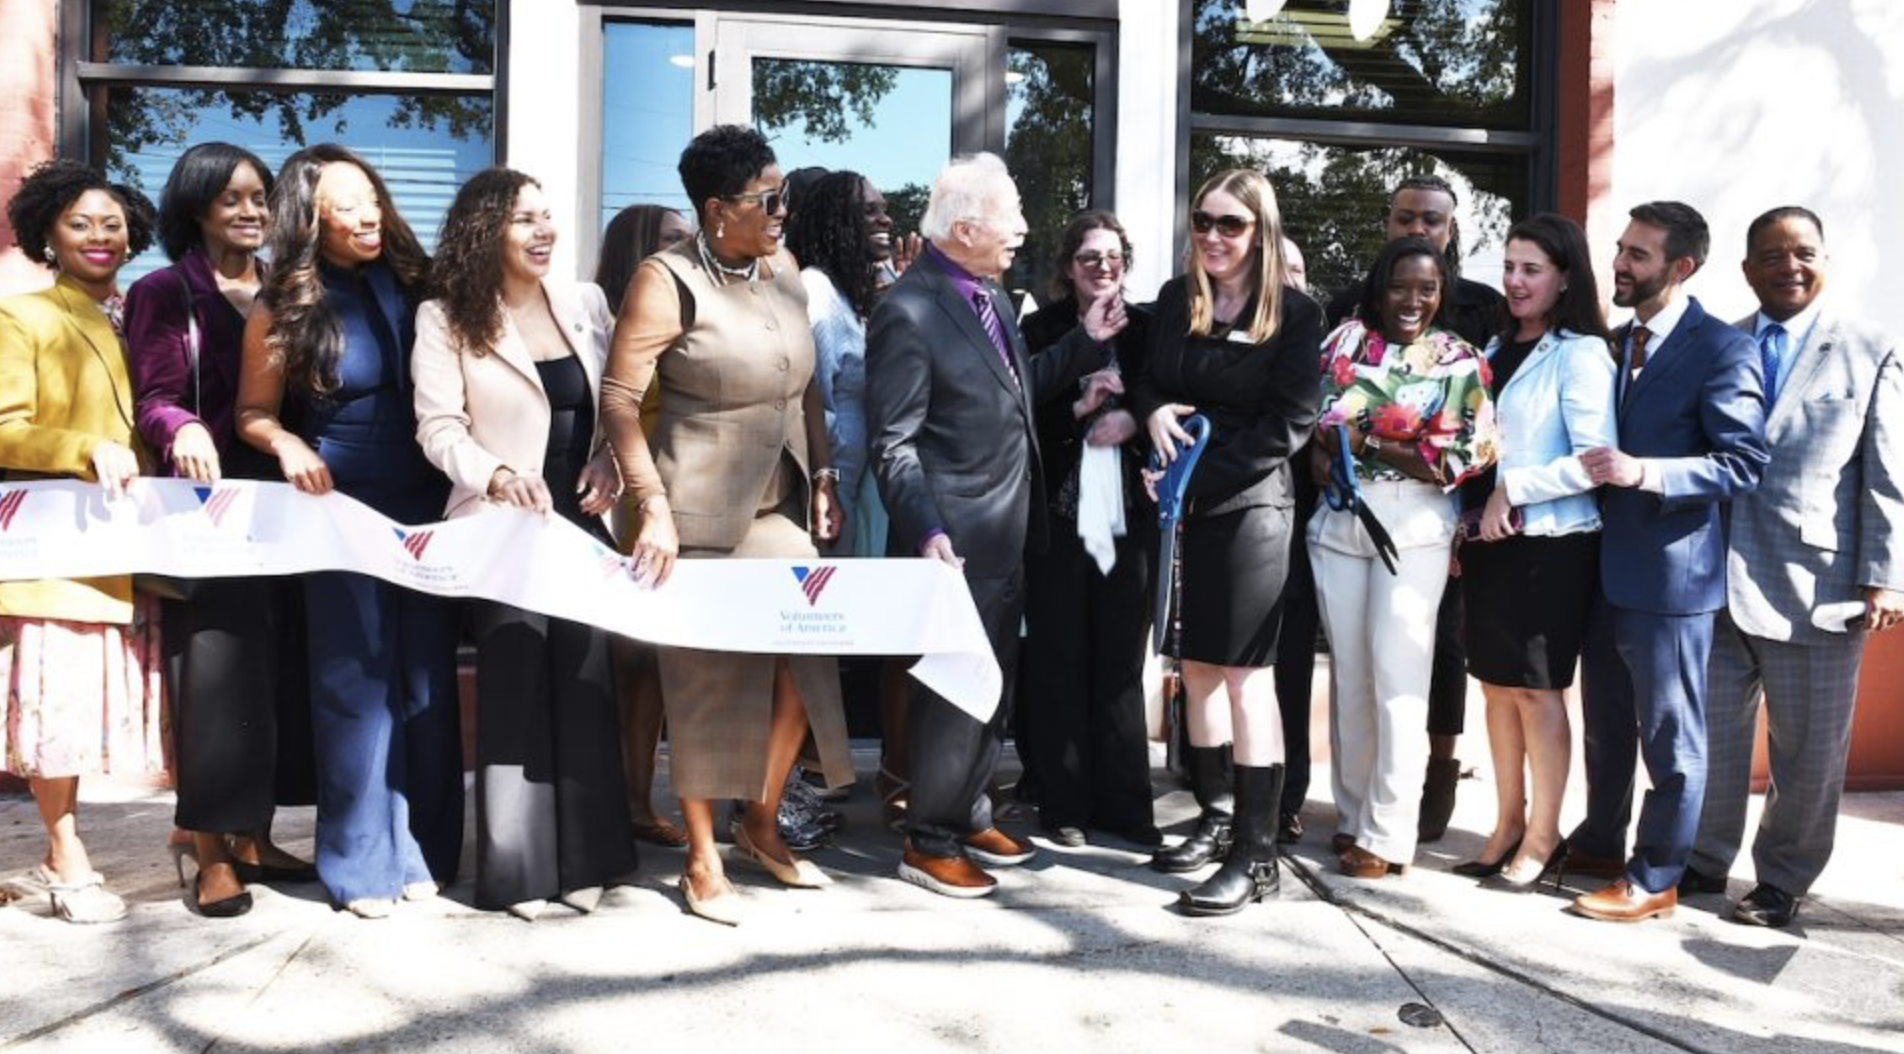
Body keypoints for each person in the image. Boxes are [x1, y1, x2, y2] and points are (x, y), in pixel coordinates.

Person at [599, 124, 854, 926]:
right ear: (717, 210)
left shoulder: (781, 271)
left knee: (808, 656)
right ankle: (701, 857)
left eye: (782, 197)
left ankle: (762, 820)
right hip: (693, 505)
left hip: (775, 500)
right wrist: (653, 507)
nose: (783, 212)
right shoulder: (664, 278)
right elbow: (617, 398)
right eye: (766, 200)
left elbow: (804, 383)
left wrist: (821, 472)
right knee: (706, 680)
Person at [866, 152, 1121, 899]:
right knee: (952, 693)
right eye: (1011, 215)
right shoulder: (908, 310)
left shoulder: (990, 297)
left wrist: (1083, 345)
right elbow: (894, 440)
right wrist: (925, 531)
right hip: (952, 542)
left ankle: (969, 809)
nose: (1023, 228)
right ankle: (930, 838)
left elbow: (1018, 390)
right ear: (968, 226)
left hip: (1009, 533)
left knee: (992, 688)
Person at [235, 144, 461, 919]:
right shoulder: (283, 302)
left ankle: (425, 850)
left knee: (424, 678)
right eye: (345, 203)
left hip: (427, 498)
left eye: (372, 196)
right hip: (339, 505)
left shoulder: (417, 284)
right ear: (311, 217)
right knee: (355, 684)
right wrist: (288, 443)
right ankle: (361, 865)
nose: (368, 213)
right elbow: (252, 414)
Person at [413, 167, 636, 921]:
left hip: (580, 523)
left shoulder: (584, 302)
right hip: (502, 526)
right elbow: (438, 427)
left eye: (548, 216)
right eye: (524, 220)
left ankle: (590, 859)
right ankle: (519, 870)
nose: (544, 230)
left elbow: (611, 406)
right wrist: (498, 473)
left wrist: (610, 461)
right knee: (515, 688)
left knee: (583, 683)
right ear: (486, 232)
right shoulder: (445, 317)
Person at [1684, 207, 1902, 928]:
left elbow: (1888, 475)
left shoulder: (1870, 348)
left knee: (1808, 751)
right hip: (1715, 577)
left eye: (1803, 253)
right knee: (1711, 735)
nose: (1789, 267)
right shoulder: (1722, 344)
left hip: (1819, 587)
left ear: (1824, 260)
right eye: (1771, 257)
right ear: (1747, 270)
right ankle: (1705, 859)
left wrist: (1886, 575)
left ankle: (1782, 880)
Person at [124, 142, 317, 918]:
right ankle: (209, 852)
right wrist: (180, 428)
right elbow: (152, 394)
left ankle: (256, 836)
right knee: (213, 679)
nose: (248, 210)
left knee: (277, 674)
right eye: (230, 197)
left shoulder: (288, 289)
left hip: (292, 503)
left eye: (258, 196)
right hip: (204, 510)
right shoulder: (165, 291)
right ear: (197, 207)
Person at [1568, 201, 1769, 923]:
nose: (1618, 264)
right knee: (1606, 723)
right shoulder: (1613, 343)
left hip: (1672, 575)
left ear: (1680, 267)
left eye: (1638, 255)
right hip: (1602, 566)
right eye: (1620, 249)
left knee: (1670, 735)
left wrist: (1644, 473)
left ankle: (1656, 876)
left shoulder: (1722, 349)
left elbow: (1743, 463)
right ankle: (1598, 842)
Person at [1133, 171, 1322, 913]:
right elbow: (1147, 380)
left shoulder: (1296, 316)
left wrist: (1192, 477)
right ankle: (1214, 819)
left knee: (1247, 679)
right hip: (1182, 504)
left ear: (1260, 233)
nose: (1213, 235)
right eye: (1204, 220)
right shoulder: (1180, 300)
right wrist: (1150, 420)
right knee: (1198, 670)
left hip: (1249, 510)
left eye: (1231, 225)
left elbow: (1288, 425)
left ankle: (1257, 851)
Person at [0, 160, 163, 924]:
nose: (100, 236)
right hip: (61, 544)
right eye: (79, 224)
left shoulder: (146, 312)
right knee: (56, 709)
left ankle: (49, 858)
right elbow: (7, 427)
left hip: (135, 544)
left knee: (95, 709)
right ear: (47, 236)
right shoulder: (24, 316)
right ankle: (65, 859)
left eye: (112, 222)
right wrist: (81, 446)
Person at [1324, 175, 1507, 842]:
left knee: (1405, 671)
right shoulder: (1342, 336)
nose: (1412, 297)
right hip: (1340, 519)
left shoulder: (1467, 344)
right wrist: (1334, 465)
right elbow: (1312, 430)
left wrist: (1369, 442)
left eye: (1426, 288)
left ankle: (1391, 828)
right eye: (1405, 219)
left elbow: (1468, 454)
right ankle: (1351, 816)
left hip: (1424, 521)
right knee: (1351, 675)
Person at [1452, 213, 1615, 893]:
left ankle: (1545, 835)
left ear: (1565, 277)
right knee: (1493, 686)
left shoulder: (1579, 353)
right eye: (1510, 267)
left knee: (1537, 689)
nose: (1515, 282)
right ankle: (1506, 822)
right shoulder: (1492, 345)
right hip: (1489, 540)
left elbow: (1595, 462)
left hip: (1549, 543)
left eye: (1531, 270)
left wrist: (1514, 491)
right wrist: (1469, 507)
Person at [1019, 210, 1159, 850]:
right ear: (1067, 267)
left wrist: (1129, 413)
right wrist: (1080, 407)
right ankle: (1063, 803)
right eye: (1089, 258)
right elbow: (1020, 420)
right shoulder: (1041, 329)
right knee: (1059, 658)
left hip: (1131, 513)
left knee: (1121, 661)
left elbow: (1167, 403)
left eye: (1113, 257)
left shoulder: (1152, 329)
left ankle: (1127, 807)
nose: (1103, 268)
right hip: (1059, 516)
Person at [592, 202, 692, 851]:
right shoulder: (601, 317)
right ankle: (622, 798)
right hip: (624, 496)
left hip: (673, 489)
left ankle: (636, 797)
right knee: (629, 658)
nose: (687, 249)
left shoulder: (683, 314)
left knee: (652, 662)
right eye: (674, 239)